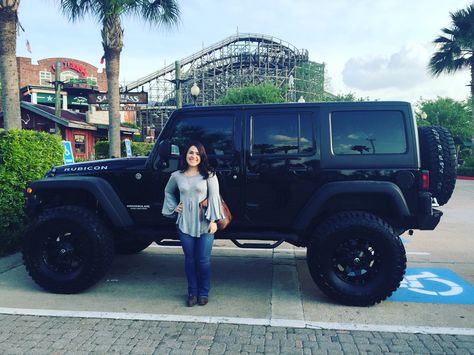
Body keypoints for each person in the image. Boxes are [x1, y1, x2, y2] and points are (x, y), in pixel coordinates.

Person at [162, 141, 224, 307]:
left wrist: (213, 221)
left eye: (197, 154)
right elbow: (168, 191)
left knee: (203, 260)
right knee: (190, 260)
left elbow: (214, 197)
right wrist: (174, 207)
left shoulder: (209, 175)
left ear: (202, 157)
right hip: (184, 223)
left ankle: (203, 293)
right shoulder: (176, 176)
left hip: (205, 223)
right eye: (191, 153)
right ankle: (192, 293)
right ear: (185, 155)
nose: (193, 156)